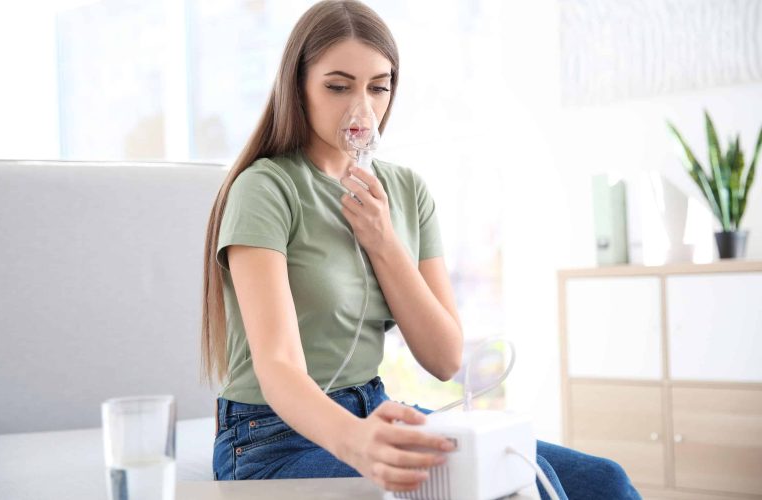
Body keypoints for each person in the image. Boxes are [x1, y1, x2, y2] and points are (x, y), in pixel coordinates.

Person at [200, 1, 642, 498]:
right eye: (338, 86)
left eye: (378, 86)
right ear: (297, 86)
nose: (360, 108)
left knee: (604, 481)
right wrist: (357, 441)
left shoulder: (406, 191)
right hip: (270, 439)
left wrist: (385, 242)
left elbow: (444, 357)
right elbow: (277, 365)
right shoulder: (265, 189)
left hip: (375, 407)